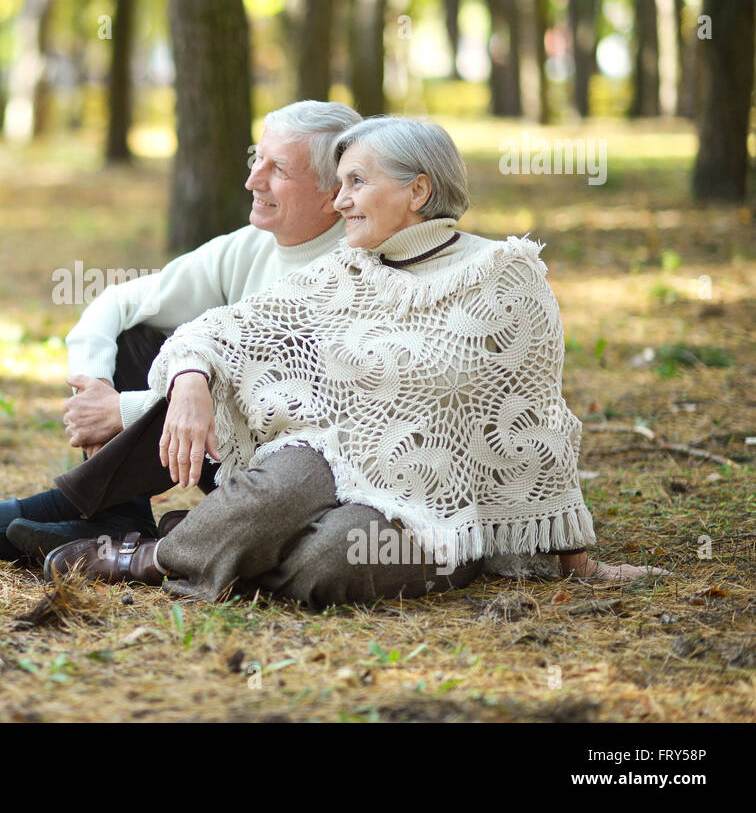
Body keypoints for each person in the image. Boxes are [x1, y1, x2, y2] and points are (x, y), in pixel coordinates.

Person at [42, 117, 668, 605]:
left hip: (443, 504)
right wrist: (189, 379)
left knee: (331, 562)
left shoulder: (503, 277)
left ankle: (191, 547)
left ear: (418, 190)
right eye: (338, 183)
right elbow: (228, 328)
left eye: (356, 183)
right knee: (283, 482)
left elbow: (536, 422)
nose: (338, 202)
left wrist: (576, 560)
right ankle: (153, 557)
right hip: (328, 457)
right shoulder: (345, 271)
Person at [0, 100, 362, 562]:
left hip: (286, 474)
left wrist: (121, 410)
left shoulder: (349, 270)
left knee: (208, 383)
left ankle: (67, 505)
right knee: (138, 338)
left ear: (333, 194)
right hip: (215, 448)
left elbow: (267, 406)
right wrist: (96, 387)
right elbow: (119, 301)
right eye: (258, 160)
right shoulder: (253, 244)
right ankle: (116, 518)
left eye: (279, 170)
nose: (253, 180)